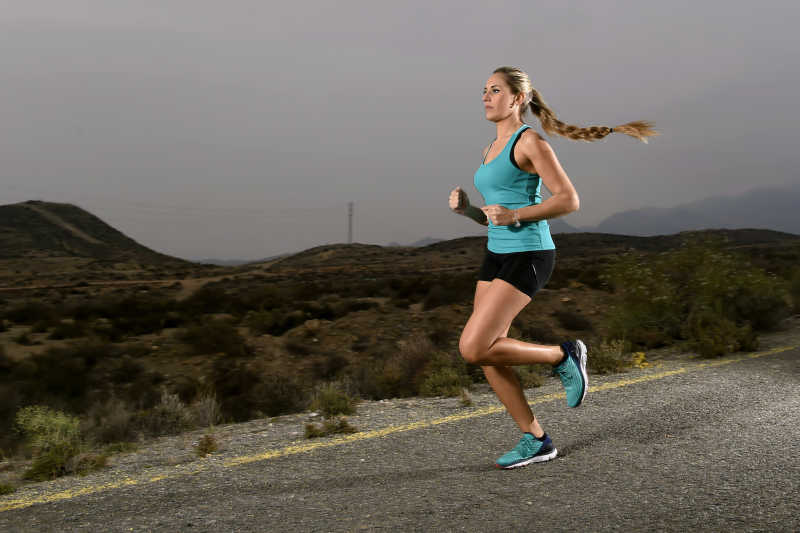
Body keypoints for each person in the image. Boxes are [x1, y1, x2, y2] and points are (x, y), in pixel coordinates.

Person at [449, 66, 657, 469]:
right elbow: (495, 216)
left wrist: (516, 217)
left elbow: (568, 200)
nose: (486, 97)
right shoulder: (489, 150)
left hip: (529, 253)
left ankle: (562, 356)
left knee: (473, 347)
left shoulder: (530, 142)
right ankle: (537, 440)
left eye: (495, 90)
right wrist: (469, 211)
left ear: (518, 99)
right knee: (489, 354)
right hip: (496, 254)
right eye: (484, 91)